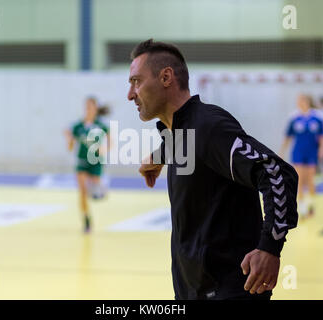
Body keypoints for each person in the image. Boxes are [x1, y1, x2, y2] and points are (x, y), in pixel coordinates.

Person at [127, 39, 299, 300]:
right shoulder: (181, 133)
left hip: (229, 291)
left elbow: (275, 171)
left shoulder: (208, 126)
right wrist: (160, 154)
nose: (131, 94)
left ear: (166, 77)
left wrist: (269, 248)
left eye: (136, 81)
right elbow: (188, 142)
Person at [65, 97, 110, 233]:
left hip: (96, 161)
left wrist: (104, 149)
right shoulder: (78, 126)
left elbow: (109, 142)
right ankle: (86, 220)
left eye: (91, 106)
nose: (88, 109)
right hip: (82, 161)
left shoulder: (101, 125)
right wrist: (70, 140)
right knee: (82, 192)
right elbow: (70, 145)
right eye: (87, 107)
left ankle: (99, 188)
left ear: (96, 108)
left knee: (95, 190)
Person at [280, 94, 323, 217]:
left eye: (301, 100)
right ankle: (301, 207)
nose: (299, 103)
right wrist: (282, 151)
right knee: (299, 178)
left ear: (307, 101)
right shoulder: (294, 117)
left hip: (312, 152)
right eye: (298, 101)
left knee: (310, 179)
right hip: (298, 152)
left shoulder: (317, 117)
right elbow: (288, 137)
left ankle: (312, 205)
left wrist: (322, 149)